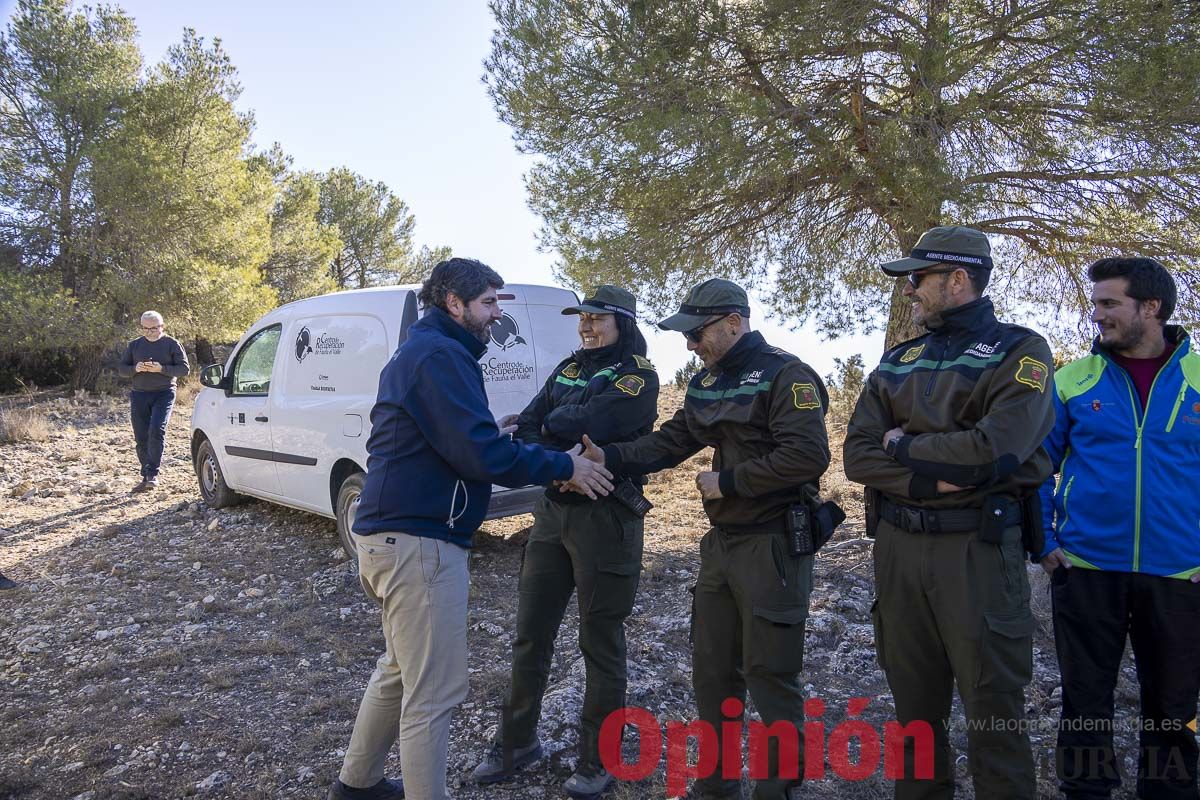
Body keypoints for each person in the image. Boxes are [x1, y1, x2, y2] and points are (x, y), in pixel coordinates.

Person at [328, 258, 614, 800]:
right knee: (433, 693)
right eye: (486, 302)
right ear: (453, 303)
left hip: (390, 536)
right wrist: (565, 467)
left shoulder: (430, 350)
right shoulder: (439, 355)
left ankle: (358, 783)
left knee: (399, 669)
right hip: (420, 543)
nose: (494, 313)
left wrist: (492, 430)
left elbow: (455, 436)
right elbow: (479, 456)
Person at [581, 278, 831, 800]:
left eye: (698, 333)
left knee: (770, 674)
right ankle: (716, 786)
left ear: (734, 323)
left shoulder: (786, 375)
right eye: (686, 335)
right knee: (713, 674)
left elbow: (807, 457)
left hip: (774, 546)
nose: (690, 344)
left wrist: (730, 482)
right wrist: (613, 456)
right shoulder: (707, 381)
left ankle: (778, 788)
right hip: (722, 547)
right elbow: (675, 439)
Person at [842, 225, 1056, 800]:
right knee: (914, 715)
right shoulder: (898, 358)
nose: (909, 289)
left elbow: (996, 448)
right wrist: (936, 470)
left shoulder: (1021, 350)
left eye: (919, 278)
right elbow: (856, 454)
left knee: (995, 714)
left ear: (957, 279)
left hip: (977, 554)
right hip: (898, 551)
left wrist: (902, 445)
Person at [470, 285, 659, 798]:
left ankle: (597, 760)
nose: (587, 327)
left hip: (607, 519)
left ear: (622, 323)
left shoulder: (638, 375)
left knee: (599, 643)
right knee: (531, 633)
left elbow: (590, 422)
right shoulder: (568, 368)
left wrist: (554, 426)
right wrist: (562, 466)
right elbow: (530, 425)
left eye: (598, 319)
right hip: (553, 512)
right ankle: (515, 743)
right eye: (583, 319)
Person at [1037, 257, 1200, 800]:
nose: (1097, 314)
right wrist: (1045, 541)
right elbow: (1036, 467)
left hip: (1182, 572)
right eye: (1097, 302)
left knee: (1175, 705)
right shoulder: (1072, 381)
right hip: (1085, 569)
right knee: (1084, 700)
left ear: (1149, 308)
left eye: (1110, 303)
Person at [117, 311, 190, 493]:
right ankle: (146, 476)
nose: (150, 332)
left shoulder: (172, 344)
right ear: (142, 328)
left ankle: (152, 475)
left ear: (162, 326)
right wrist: (135, 368)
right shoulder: (134, 345)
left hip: (164, 393)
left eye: (154, 328)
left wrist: (161, 369)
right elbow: (121, 370)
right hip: (139, 394)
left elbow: (184, 369)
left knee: (157, 429)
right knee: (141, 436)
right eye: (146, 329)